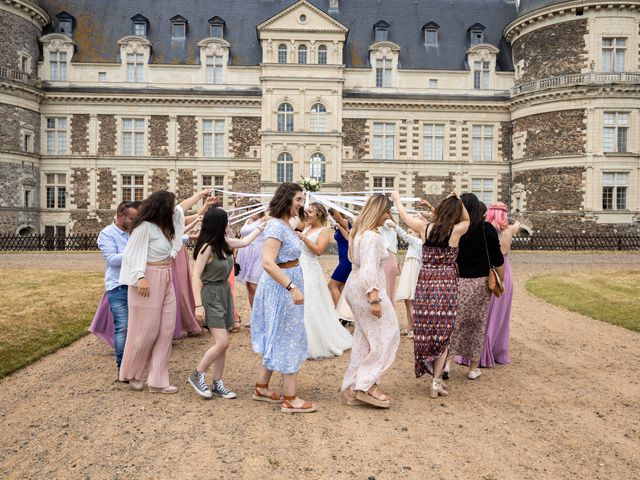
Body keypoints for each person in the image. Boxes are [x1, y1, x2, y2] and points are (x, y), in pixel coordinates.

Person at [118, 189, 209, 393]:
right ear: (161, 208)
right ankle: (132, 373)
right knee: (146, 330)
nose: (174, 210)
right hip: (147, 279)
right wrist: (139, 276)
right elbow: (132, 254)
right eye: (170, 206)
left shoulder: (165, 226)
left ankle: (158, 380)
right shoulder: (144, 228)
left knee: (167, 328)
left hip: (167, 276)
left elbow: (181, 208)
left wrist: (201, 195)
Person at [392, 191, 469, 398]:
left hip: (426, 283)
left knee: (427, 327)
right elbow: (467, 218)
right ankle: (436, 381)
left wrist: (398, 200)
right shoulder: (457, 230)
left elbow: (403, 215)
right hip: (446, 286)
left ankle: (430, 368)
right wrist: (458, 201)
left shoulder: (424, 228)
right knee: (444, 332)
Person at [251, 182, 317, 414]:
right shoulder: (276, 228)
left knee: (277, 335)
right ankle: (290, 398)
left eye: (302, 200)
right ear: (286, 199)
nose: (301, 204)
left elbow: (304, 221)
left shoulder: (286, 224)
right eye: (298, 199)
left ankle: (262, 388)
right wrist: (291, 288)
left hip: (286, 284)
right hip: (281, 289)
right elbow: (268, 262)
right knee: (288, 336)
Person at [187, 206, 265, 399]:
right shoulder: (206, 247)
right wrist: (198, 305)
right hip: (211, 295)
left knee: (222, 344)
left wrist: (262, 227)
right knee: (222, 342)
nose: (228, 224)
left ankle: (217, 383)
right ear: (219, 224)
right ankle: (197, 374)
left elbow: (245, 242)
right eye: (226, 222)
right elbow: (196, 275)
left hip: (224, 294)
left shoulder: (224, 243)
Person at [341, 194, 400, 409]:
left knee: (364, 338)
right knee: (386, 335)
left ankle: (354, 384)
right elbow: (368, 269)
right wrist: (374, 298)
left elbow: (354, 263)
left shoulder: (358, 232)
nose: (388, 216)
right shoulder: (372, 237)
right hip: (367, 289)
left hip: (354, 286)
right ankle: (366, 384)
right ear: (378, 211)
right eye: (386, 211)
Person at [449, 193, 504, 380]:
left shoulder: (456, 229)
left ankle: (446, 362)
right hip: (481, 283)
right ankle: (473, 368)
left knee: (454, 323)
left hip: (458, 281)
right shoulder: (486, 229)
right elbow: (497, 259)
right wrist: (501, 281)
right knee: (477, 324)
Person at [459, 202, 520, 367]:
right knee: (495, 316)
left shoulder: (483, 229)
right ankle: (489, 351)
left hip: (485, 271)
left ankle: (471, 353)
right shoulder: (505, 231)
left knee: (483, 315)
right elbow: (502, 253)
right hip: (500, 272)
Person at [297, 202, 352, 359]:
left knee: (311, 304)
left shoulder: (324, 230)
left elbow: (319, 251)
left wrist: (303, 238)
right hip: (299, 267)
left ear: (319, 214)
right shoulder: (306, 227)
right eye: (306, 211)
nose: (307, 214)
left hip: (310, 269)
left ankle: (313, 341)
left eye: (310, 212)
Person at [96, 200, 139, 376]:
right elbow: (113, 260)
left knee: (138, 326)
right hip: (118, 286)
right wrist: (137, 251)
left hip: (136, 284)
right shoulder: (106, 234)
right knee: (123, 326)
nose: (134, 223)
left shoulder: (134, 231)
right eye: (131, 219)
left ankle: (135, 361)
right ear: (120, 215)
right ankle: (123, 368)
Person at [388, 220, 423, 338]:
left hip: (412, 270)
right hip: (410, 269)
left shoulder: (418, 241)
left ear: (418, 233)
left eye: (412, 231)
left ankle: (416, 329)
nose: (410, 233)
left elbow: (404, 236)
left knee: (410, 301)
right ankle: (410, 327)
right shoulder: (416, 242)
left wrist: (395, 226)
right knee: (407, 300)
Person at [236, 199, 267, 309]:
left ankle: (261, 314)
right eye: (250, 208)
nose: (252, 211)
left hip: (258, 253)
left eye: (255, 209)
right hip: (246, 252)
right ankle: (254, 316)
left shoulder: (265, 219)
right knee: (249, 285)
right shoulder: (248, 220)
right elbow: (243, 234)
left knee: (255, 285)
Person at [327, 208, 352, 306]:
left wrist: (331, 205)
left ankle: (339, 314)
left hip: (347, 259)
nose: (332, 217)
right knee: (341, 286)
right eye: (331, 215)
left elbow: (338, 217)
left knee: (332, 285)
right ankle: (345, 314)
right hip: (342, 258)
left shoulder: (344, 222)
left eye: (333, 214)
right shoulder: (337, 225)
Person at [379, 218, 400, 303]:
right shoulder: (390, 226)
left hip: (388, 257)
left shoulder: (388, 222)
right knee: (388, 288)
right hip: (391, 257)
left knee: (387, 288)